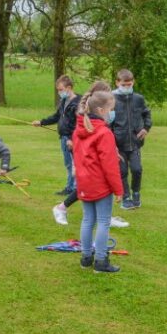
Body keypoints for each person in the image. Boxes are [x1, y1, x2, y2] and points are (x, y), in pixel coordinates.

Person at [51, 80, 129, 229]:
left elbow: (102, 133)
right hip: (84, 153)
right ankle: (62, 207)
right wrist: (71, 141)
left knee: (96, 183)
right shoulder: (84, 109)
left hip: (92, 150)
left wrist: (113, 150)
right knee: (89, 184)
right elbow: (78, 129)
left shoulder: (100, 112)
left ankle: (105, 215)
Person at [73, 90, 124, 273]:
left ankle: (86, 258)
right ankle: (101, 261)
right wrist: (118, 190)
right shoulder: (104, 133)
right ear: (102, 110)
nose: (113, 112)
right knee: (103, 221)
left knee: (87, 220)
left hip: (84, 182)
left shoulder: (79, 130)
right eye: (112, 109)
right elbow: (110, 166)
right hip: (99, 184)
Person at [110, 69, 152, 209]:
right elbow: (107, 123)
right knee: (122, 171)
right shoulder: (111, 99)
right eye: (124, 84)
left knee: (137, 169)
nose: (127, 87)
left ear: (133, 82)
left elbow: (147, 114)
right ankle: (125, 197)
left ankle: (136, 193)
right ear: (117, 83)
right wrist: (110, 142)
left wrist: (146, 128)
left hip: (135, 142)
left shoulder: (138, 99)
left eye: (129, 84)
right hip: (118, 143)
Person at [32, 75, 80, 196]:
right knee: (68, 164)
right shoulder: (63, 101)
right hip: (63, 138)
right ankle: (70, 187)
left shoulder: (78, 103)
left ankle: (76, 189)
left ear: (69, 88)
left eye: (60, 89)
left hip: (73, 140)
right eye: (58, 90)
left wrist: (72, 139)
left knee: (76, 164)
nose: (59, 92)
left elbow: (78, 125)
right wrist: (41, 122)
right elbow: (56, 116)